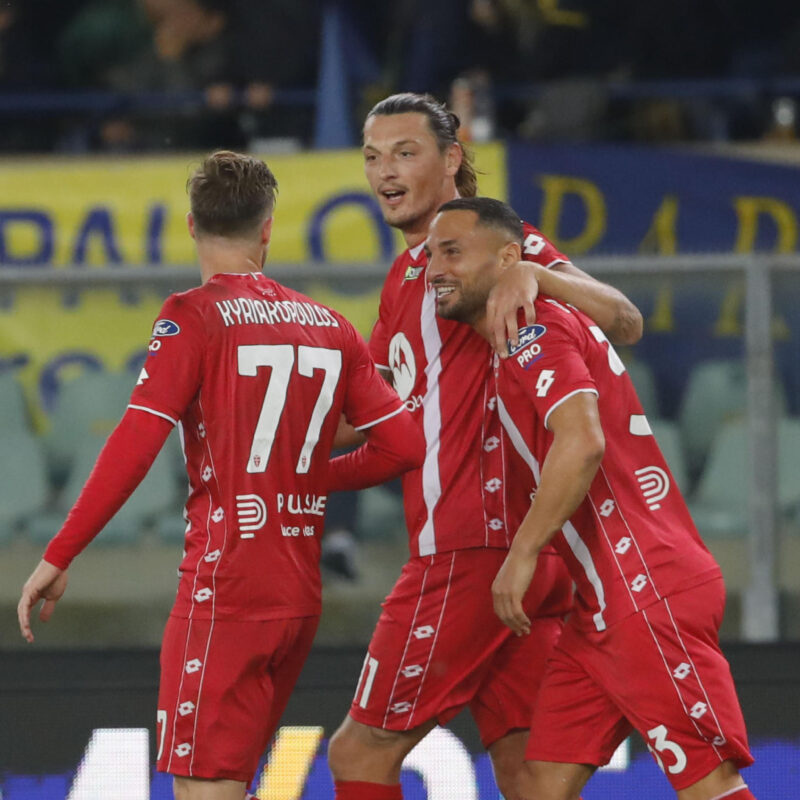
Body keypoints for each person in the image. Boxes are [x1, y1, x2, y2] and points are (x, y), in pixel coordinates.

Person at [17, 150, 424, 800]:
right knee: (235, 784)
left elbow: (138, 439)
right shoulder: (329, 327)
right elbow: (404, 445)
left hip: (225, 591)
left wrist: (61, 553)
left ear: (190, 225)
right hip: (297, 595)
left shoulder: (192, 315)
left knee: (207, 790)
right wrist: (306, 482)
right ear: (267, 228)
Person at [326, 92, 644, 800]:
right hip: (516, 557)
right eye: (373, 157)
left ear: (452, 159)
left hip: (470, 547)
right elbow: (387, 411)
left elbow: (623, 318)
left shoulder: (497, 244)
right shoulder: (407, 278)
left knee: (359, 752)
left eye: (406, 152)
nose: (385, 171)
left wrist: (537, 273)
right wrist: (276, 444)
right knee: (528, 772)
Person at [425, 195, 756, 800]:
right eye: (429, 255)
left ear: (506, 257)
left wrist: (522, 555)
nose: (434, 268)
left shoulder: (531, 324)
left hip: (642, 586)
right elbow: (623, 321)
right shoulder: (528, 323)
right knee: (541, 786)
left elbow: (582, 444)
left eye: (452, 252)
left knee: (711, 785)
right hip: (601, 606)